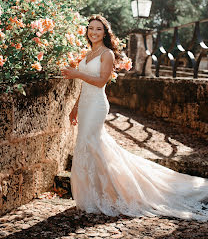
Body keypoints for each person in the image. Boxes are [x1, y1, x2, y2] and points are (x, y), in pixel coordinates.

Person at [61, 14, 208, 221]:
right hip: (85, 106)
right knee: (90, 146)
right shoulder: (88, 53)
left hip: (96, 106)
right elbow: (84, 85)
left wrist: (77, 73)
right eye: (91, 28)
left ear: (105, 33)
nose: (93, 32)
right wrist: (75, 107)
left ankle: (110, 193)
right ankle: (95, 194)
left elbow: (101, 81)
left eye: (98, 29)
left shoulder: (107, 54)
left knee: (89, 144)